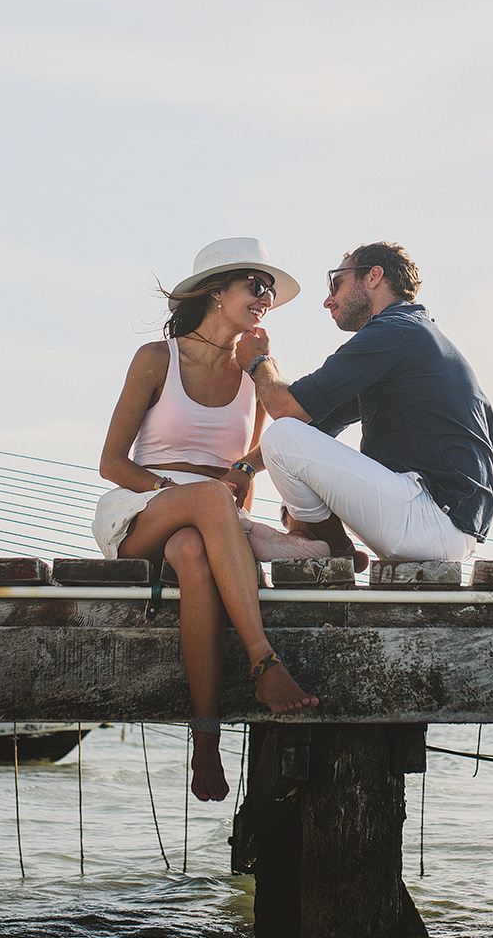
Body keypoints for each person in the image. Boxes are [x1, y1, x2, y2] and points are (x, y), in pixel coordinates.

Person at [94, 237, 325, 802]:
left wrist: (243, 469)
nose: (265, 295)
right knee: (209, 504)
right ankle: (262, 659)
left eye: (270, 287)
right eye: (255, 283)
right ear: (215, 291)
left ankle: (204, 741)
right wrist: (182, 491)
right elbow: (111, 463)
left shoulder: (254, 372)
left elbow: (268, 448)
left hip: (206, 522)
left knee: (196, 554)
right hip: (144, 507)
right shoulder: (157, 358)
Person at [235, 241, 493, 570]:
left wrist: (258, 362)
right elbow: (311, 427)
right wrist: (245, 468)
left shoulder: (393, 332)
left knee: (280, 435)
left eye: (337, 282)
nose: (328, 300)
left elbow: (286, 410)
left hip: (430, 519)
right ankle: (325, 543)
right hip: (443, 525)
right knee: (287, 440)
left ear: (373, 277)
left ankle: (326, 544)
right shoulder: (409, 335)